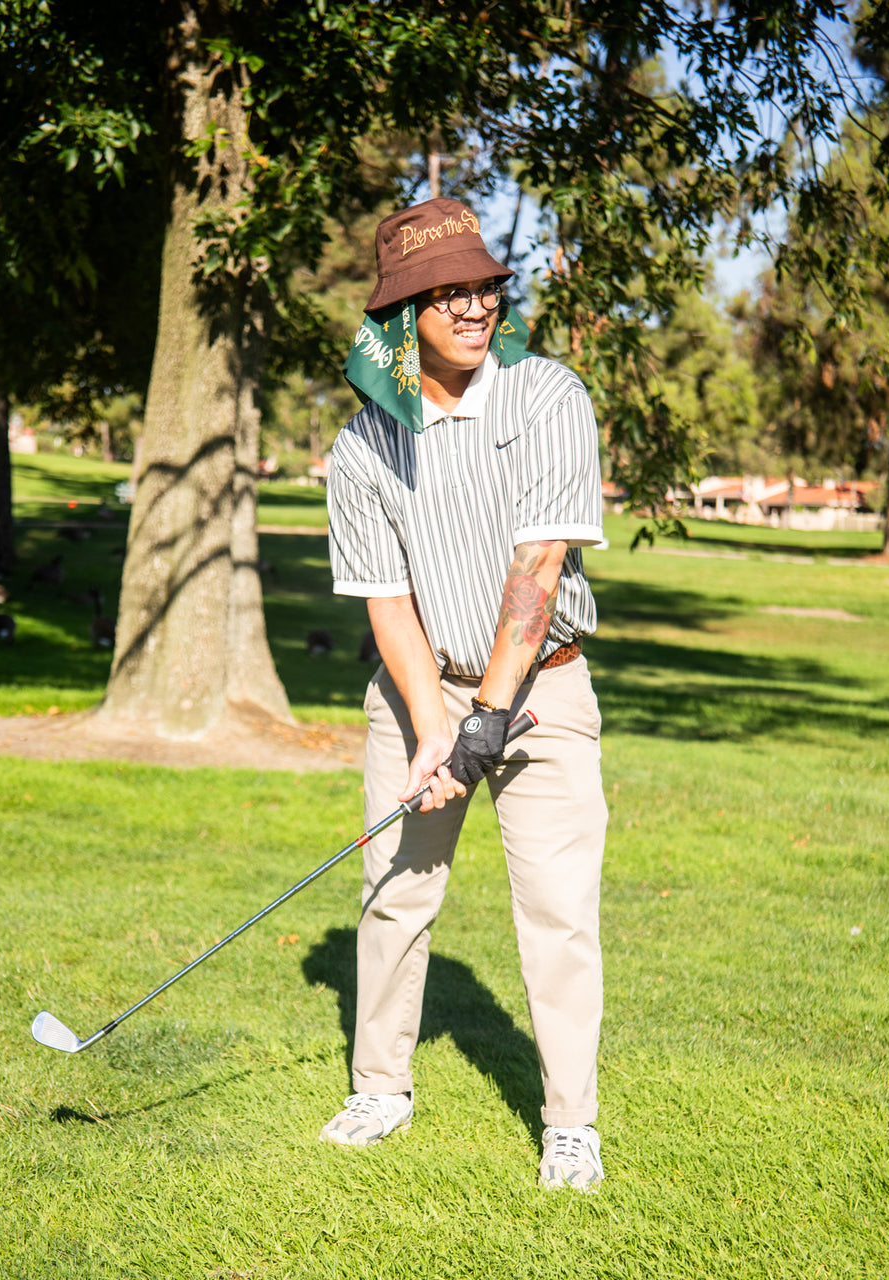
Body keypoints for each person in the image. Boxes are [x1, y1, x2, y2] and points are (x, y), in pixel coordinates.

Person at [322, 196, 608, 1193]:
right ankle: (381, 1086)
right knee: (394, 890)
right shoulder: (360, 448)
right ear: (404, 313)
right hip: (417, 692)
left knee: (558, 911)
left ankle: (570, 1123)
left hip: (545, 691)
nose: (474, 303)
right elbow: (387, 602)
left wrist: (485, 715)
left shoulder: (546, 396)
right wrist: (434, 722)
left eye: (484, 284)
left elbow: (539, 565)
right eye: (448, 291)